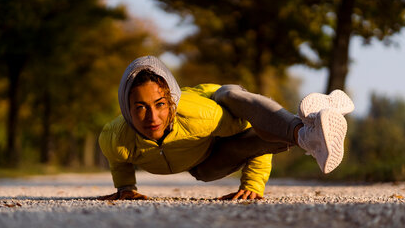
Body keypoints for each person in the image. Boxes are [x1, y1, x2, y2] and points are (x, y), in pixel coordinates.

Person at [97, 55, 354, 201]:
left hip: (216, 101)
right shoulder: (116, 137)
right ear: (126, 109)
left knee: (233, 95)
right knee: (205, 173)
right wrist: (126, 188)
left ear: (171, 102)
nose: (151, 116)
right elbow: (118, 160)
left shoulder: (206, 117)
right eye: (140, 107)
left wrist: (253, 182)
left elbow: (258, 127)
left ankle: (307, 133)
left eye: (160, 104)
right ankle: (310, 126)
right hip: (205, 162)